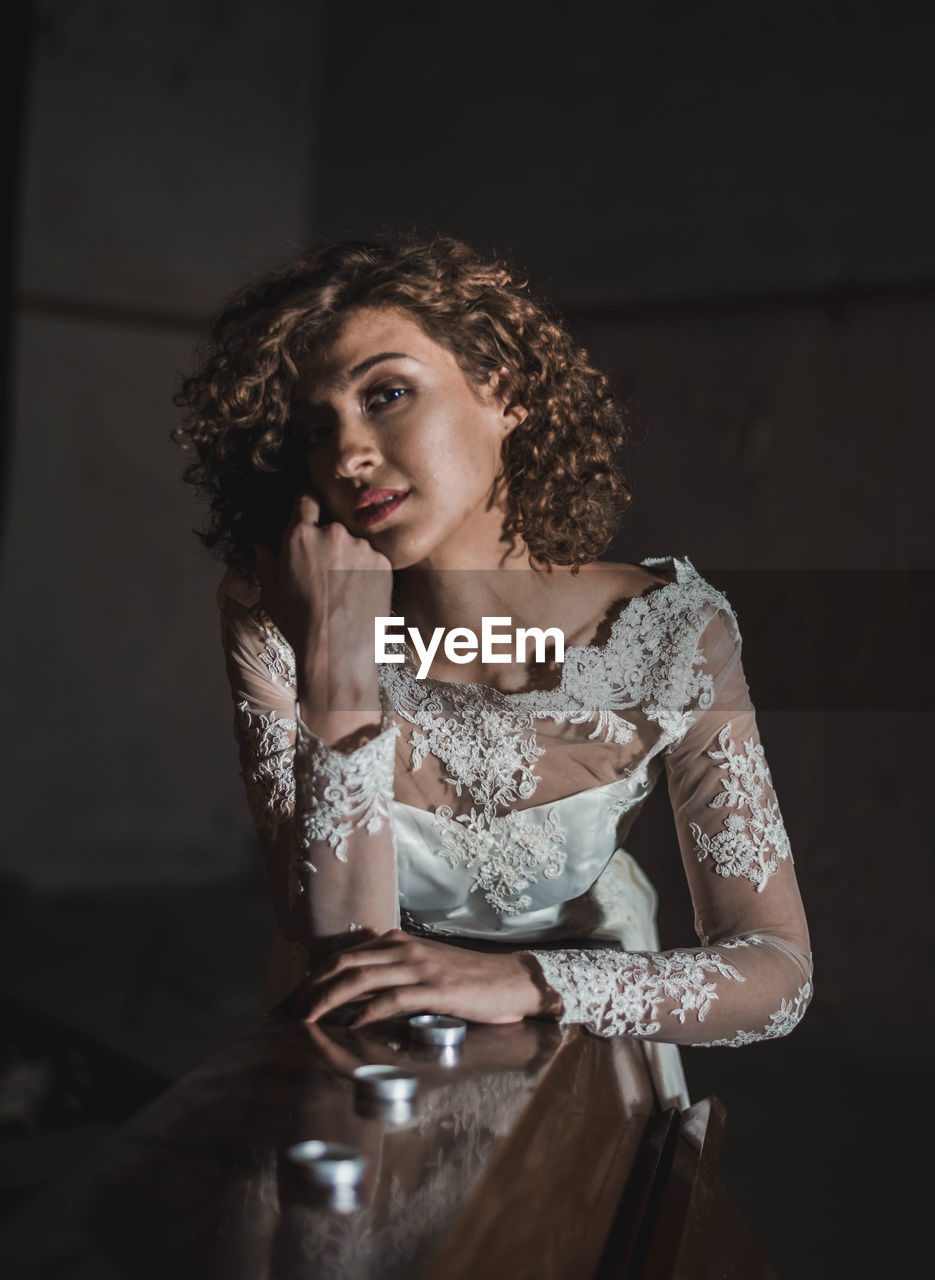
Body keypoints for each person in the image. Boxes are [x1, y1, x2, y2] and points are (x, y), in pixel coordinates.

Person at [173, 236, 812, 1110]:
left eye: (387, 394)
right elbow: (331, 943)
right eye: (316, 430)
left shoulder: (667, 633)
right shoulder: (278, 612)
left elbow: (775, 972)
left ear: (502, 389)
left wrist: (525, 980)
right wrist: (338, 666)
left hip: (580, 1041)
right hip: (356, 1049)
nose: (348, 455)